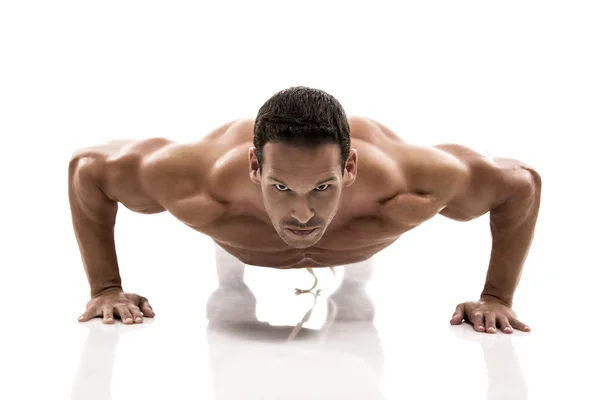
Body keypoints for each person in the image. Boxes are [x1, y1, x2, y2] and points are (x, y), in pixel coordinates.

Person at [69, 86, 541, 334]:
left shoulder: (409, 185)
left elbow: (520, 184)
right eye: (280, 186)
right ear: (254, 166)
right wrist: (106, 288)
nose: (301, 214)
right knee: (228, 294)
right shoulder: (197, 182)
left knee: (358, 312)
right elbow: (87, 169)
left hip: (359, 230)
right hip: (238, 230)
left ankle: (352, 274)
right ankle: (230, 272)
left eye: (321, 187)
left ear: (350, 168)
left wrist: (497, 297)